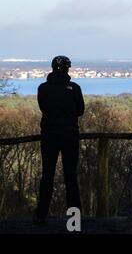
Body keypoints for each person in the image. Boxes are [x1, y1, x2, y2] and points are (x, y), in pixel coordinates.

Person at [33, 56, 85, 225]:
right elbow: (80, 110)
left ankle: (41, 215)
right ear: (67, 69)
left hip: (49, 136)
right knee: (71, 176)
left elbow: (43, 107)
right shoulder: (74, 88)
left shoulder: (43, 88)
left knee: (47, 175)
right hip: (70, 135)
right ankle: (75, 218)